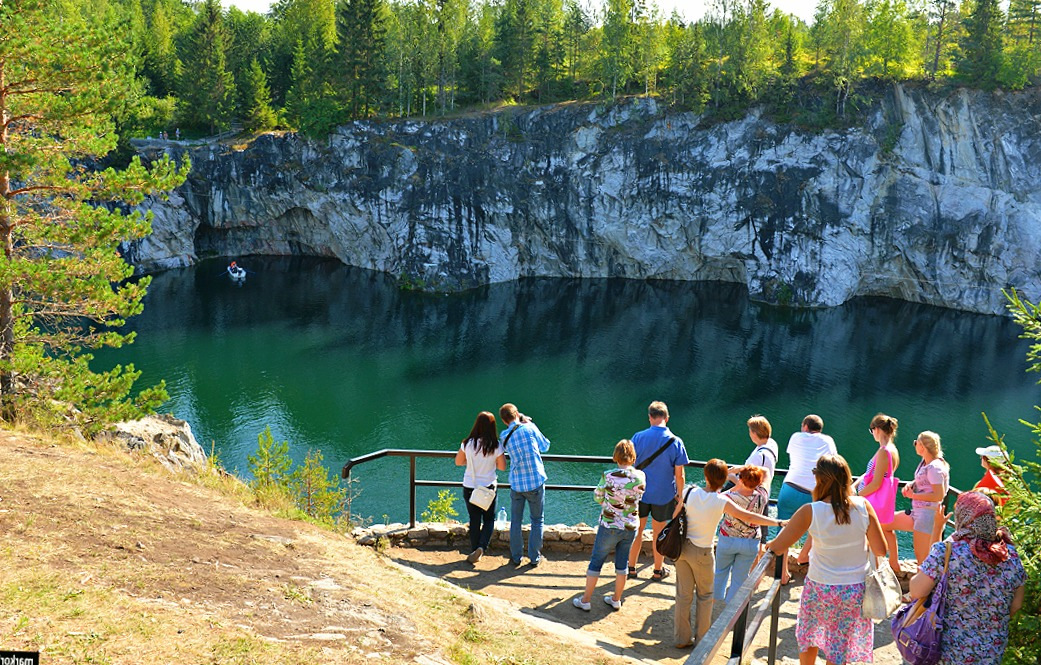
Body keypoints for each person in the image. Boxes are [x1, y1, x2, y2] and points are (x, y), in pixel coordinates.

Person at [767, 454, 887, 665]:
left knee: (809, 634)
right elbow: (881, 549)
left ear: (819, 480)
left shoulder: (810, 511)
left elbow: (778, 546)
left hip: (820, 587)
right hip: (854, 590)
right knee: (839, 645)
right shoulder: (863, 506)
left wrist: (767, 546)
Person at [674, 459, 785, 649]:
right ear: (725, 478)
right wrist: (779, 523)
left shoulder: (689, 491)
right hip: (703, 552)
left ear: (705, 476)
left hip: (682, 549)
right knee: (705, 596)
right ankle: (702, 641)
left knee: (683, 595)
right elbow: (749, 517)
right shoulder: (722, 501)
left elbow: (676, 514)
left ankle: (681, 639)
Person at [909, 491, 1026, 665]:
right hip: (991, 653)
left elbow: (916, 591)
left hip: (947, 651)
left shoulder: (947, 551)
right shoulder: (1010, 555)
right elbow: (1016, 605)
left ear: (962, 517)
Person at [573, 440, 646, 612]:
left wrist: (609, 502)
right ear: (633, 456)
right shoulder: (640, 476)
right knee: (622, 564)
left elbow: (598, 497)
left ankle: (586, 600)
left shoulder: (608, 475)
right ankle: (616, 599)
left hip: (609, 524)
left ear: (616, 456)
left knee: (596, 561)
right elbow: (640, 497)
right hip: (630, 526)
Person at [627, 400, 690, 582]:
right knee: (658, 533)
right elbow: (680, 475)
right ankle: (657, 570)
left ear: (650, 418)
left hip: (639, 493)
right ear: (667, 418)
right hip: (663, 496)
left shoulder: (637, 438)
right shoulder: (676, 442)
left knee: (636, 531)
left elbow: (629, 464)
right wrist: (679, 495)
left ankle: (631, 568)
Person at [777, 414, 836, 583]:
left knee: (784, 530)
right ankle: (805, 557)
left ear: (804, 426)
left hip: (790, 487)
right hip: (814, 491)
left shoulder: (795, 437)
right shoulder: (828, 441)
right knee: (817, 530)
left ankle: (782, 574)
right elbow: (833, 463)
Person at [885, 430, 949, 568]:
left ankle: (921, 589)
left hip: (927, 516)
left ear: (922, 446)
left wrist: (913, 495)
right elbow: (924, 480)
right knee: (884, 524)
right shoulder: (926, 462)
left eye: (915, 443)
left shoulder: (935, 468)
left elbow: (939, 495)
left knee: (922, 559)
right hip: (917, 512)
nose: (914, 445)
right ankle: (894, 564)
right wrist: (912, 484)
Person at [499, 403, 551, 566]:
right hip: (535, 481)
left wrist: (518, 419)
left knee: (516, 521)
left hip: (516, 484)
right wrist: (525, 420)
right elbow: (545, 446)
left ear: (503, 420)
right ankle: (534, 558)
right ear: (517, 414)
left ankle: (516, 557)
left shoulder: (504, 436)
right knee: (537, 520)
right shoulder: (530, 428)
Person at [454, 411, 506, 564]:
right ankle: (482, 548)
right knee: (489, 519)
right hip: (488, 488)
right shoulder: (496, 445)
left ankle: (474, 549)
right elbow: (502, 467)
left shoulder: (467, 444)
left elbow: (458, 462)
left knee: (474, 519)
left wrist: (470, 463)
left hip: (470, 486)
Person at [714, 466, 770, 604]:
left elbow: (715, 497)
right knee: (740, 579)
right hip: (750, 542)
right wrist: (744, 469)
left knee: (720, 572)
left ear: (740, 479)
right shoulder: (762, 496)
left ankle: (712, 602)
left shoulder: (727, 497)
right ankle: (731, 612)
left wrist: (734, 475)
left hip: (727, 539)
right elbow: (767, 472)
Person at [855, 413, 900, 572]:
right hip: (878, 501)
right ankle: (885, 568)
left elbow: (876, 483)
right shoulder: (892, 449)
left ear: (878, 429)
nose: (872, 433)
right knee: (880, 535)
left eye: (872, 429)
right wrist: (858, 482)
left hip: (872, 502)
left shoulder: (883, 451)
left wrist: (855, 497)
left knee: (871, 539)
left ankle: (872, 574)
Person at [727, 415, 779, 549]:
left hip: (750, 497)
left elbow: (744, 483)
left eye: (750, 431)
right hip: (763, 493)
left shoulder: (758, 456)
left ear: (754, 433)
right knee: (761, 532)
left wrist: (729, 475)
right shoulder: (771, 444)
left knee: (746, 530)